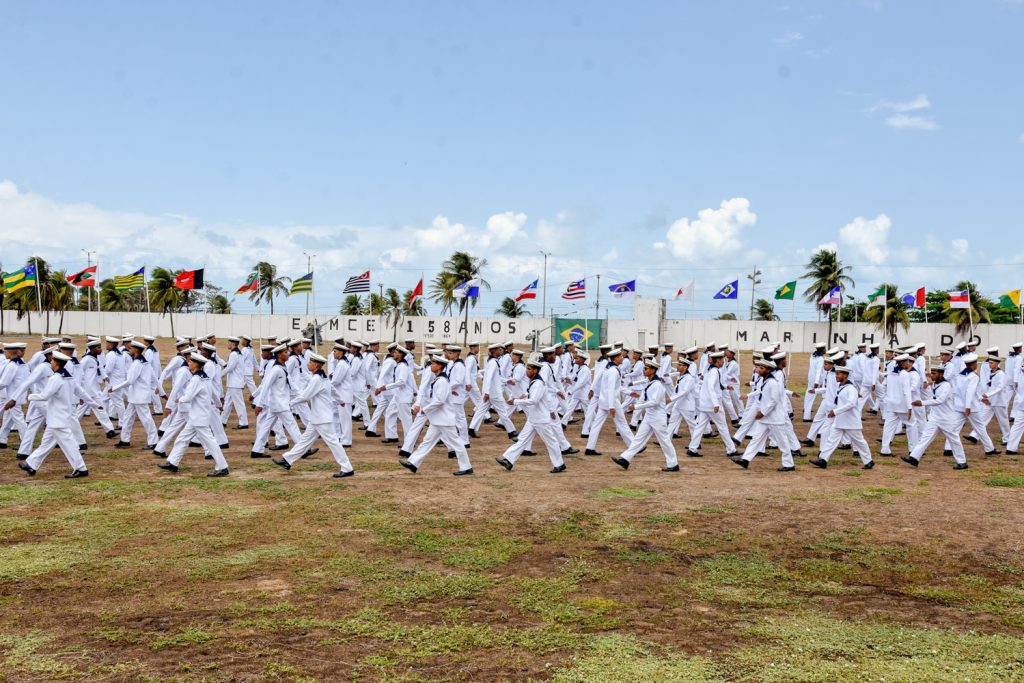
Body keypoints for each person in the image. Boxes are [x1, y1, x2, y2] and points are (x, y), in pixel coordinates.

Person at [272, 352, 353, 477]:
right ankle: (287, 460)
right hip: (318, 418)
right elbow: (333, 390)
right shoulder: (322, 377)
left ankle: (347, 467)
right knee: (305, 440)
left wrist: (291, 403)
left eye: (310, 363)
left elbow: (306, 396)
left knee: (334, 443)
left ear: (316, 365)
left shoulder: (317, 379)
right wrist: (340, 401)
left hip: (322, 418)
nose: (308, 364)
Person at [17, 351, 90, 478]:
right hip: (57, 418)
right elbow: (81, 392)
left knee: (69, 445)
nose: (50, 362)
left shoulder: (56, 378)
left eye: (52, 361)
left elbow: (45, 396)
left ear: (56, 363)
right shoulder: (69, 377)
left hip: (58, 419)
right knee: (46, 443)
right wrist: (94, 403)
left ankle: (81, 468)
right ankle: (31, 464)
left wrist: (30, 396)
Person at [158, 352, 230, 477]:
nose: (189, 363)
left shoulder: (196, 379)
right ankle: (173, 462)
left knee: (210, 442)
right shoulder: (205, 377)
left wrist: (178, 400)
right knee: (182, 438)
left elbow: (188, 397)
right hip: (197, 416)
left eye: (191, 362)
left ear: (196, 364)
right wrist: (219, 405)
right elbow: (213, 393)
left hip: (199, 417)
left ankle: (222, 467)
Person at [399, 356, 473, 475]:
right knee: (427, 442)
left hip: (444, 419)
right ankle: (413, 462)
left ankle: (466, 467)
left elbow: (439, 401)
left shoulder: (442, 381)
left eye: (433, 364)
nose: (431, 365)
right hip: (438, 419)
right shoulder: (438, 379)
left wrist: (424, 410)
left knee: (457, 443)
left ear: (439, 366)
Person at [494, 360, 567, 474]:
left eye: (529, 369)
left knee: (550, 442)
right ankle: (508, 460)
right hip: (534, 418)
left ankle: (559, 464)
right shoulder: (535, 381)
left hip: (540, 419)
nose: (526, 371)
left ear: (535, 370)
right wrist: (526, 395)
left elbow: (534, 400)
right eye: (527, 368)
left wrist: (516, 401)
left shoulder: (538, 383)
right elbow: (543, 396)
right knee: (522, 440)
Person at [612, 359, 678, 472]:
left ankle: (673, 464)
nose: (644, 370)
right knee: (638, 439)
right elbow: (643, 398)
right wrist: (636, 404)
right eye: (644, 368)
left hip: (658, 417)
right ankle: (625, 459)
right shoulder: (649, 382)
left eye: (646, 369)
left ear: (653, 370)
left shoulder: (657, 384)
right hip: (649, 416)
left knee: (665, 441)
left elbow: (655, 402)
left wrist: (636, 407)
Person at [902, 365, 968, 470]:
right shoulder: (935, 384)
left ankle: (962, 462)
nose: (932, 376)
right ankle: (914, 457)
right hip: (935, 417)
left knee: (954, 439)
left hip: (946, 418)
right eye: (931, 373)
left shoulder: (946, 386)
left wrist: (922, 403)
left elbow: (940, 400)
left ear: (941, 374)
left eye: (934, 374)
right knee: (925, 437)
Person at [809, 365, 874, 469]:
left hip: (851, 421)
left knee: (860, 442)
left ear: (845, 375)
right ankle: (823, 459)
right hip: (840, 421)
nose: (836, 376)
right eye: (836, 373)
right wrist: (834, 411)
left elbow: (851, 404)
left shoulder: (851, 389)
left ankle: (868, 461)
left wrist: (835, 411)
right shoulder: (841, 387)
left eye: (838, 374)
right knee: (831, 440)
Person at [250, 344, 304, 458]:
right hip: (279, 404)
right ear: (279, 355)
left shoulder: (283, 368)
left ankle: (256, 450)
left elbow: (292, 386)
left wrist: (304, 395)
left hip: (277, 404)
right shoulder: (275, 370)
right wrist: (259, 404)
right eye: (285, 352)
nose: (287, 354)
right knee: (292, 425)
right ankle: (302, 449)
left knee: (265, 427)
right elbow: (265, 386)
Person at [584, 348, 634, 456]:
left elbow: (615, 387)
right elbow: (611, 389)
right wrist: (612, 406)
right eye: (621, 356)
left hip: (603, 401)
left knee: (596, 425)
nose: (622, 358)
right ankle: (634, 447)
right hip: (612, 402)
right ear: (616, 358)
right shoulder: (613, 371)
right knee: (623, 424)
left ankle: (590, 447)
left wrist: (629, 392)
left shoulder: (608, 368)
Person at [687, 351, 737, 457]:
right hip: (712, 405)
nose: (723, 361)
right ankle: (731, 449)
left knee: (700, 427)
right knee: (723, 427)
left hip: (705, 404)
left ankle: (692, 448)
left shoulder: (711, 370)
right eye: (722, 359)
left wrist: (725, 386)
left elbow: (713, 385)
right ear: (718, 360)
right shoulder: (714, 371)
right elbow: (710, 388)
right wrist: (715, 404)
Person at [110, 340, 158, 449]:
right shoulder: (144, 362)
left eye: (131, 348)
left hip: (139, 397)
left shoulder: (137, 363)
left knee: (146, 420)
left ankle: (153, 441)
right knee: (127, 418)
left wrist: (114, 388)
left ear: (136, 350)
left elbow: (130, 381)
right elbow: (154, 377)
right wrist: (162, 392)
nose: (129, 349)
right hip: (135, 396)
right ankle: (124, 439)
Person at [468, 343, 517, 438]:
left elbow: (497, 378)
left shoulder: (493, 362)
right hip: (493, 394)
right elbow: (488, 378)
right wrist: (486, 392)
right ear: (495, 352)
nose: (501, 351)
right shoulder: (493, 363)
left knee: (480, 411)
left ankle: (471, 429)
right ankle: (511, 432)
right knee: (503, 412)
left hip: (491, 393)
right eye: (499, 350)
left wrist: (508, 380)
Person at [879, 353, 917, 457]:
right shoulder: (904, 374)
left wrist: (885, 398)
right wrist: (910, 407)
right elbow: (907, 392)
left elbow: (883, 386)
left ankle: (885, 449)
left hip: (891, 405)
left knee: (888, 427)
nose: (908, 364)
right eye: (907, 362)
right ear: (903, 362)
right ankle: (912, 449)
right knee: (911, 425)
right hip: (902, 405)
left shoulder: (891, 373)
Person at [803, 342, 827, 422]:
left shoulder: (812, 356)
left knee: (808, 398)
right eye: (824, 348)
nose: (825, 349)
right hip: (817, 381)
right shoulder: (820, 359)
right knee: (814, 398)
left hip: (811, 378)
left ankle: (806, 414)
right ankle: (806, 417)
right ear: (822, 349)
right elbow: (818, 371)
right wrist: (817, 383)